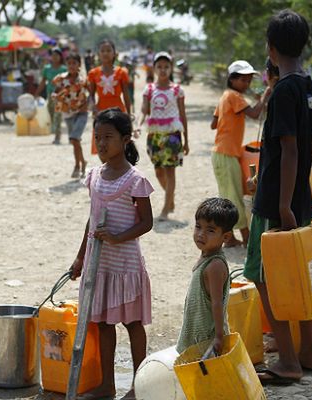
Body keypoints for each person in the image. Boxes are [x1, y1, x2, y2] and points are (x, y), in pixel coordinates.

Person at [244, 9, 312, 384]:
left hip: (278, 200)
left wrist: (281, 204)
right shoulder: (310, 86)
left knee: (265, 277)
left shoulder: (283, 91)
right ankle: (309, 350)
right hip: (300, 199)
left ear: (271, 48)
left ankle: (288, 359)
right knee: (299, 276)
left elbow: (290, 150)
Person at [70, 108, 153, 400]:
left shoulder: (135, 180)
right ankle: (107, 385)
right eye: (97, 138)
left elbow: (147, 222)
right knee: (104, 324)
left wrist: (118, 238)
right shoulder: (94, 176)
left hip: (125, 265)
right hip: (99, 265)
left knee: (132, 324)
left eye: (108, 137)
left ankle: (139, 386)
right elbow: (91, 220)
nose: (101, 143)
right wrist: (80, 257)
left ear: (126, 140)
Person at [210, 60, 271, 247]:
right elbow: (253, 113)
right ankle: (246, 238)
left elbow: (214, 123)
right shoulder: (234, 96)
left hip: (223, 152)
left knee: (229, 195)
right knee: (234, 197)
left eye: (248, 80)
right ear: (232, 79)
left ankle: (231, 238)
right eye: (243, 80)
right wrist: (265, 95)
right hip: (226, 153)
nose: (246, 84)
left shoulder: (225, 96)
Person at [176, 197, 239, 355]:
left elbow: (217, 303)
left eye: (210, 230)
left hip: (208, 338)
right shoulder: (206, 257)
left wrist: (218, 337)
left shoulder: (214, 266)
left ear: (226, 237)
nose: (201, 234)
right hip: (198, 333)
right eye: (198, 227)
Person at [140, 51, 189, 221]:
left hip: (172, 135)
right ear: (153, 69)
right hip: (154, 135)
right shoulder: (149, 88)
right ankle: (171, 199)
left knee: (170, 172)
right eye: (159, 67)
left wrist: (186, 140)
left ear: (171, 69)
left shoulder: (177, 90)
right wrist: (139, 123)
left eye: (166, 67)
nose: (162, 70)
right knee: (158, 172)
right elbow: (144, 109)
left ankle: (165, 209)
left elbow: (183, 115)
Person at [88, 39, 132, 155]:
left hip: (119, 110)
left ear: (114, 53)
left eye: (108, 50)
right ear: (98, 54)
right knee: (102, 144)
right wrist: (93, 108)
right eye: (102, 51)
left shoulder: (121, 72)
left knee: (118, 142)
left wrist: (129, 113)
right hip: (101, 111)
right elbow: (91, 95)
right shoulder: (93, 73)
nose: (105, 53)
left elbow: (126, 95)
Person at [52, 53, 89, 178]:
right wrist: (54, 95)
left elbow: (91, 93)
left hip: (81, 112)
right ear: (66, 65)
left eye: (74, 63)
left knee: (74, 137)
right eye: (69, 64)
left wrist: (89, 104)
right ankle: (82, 162)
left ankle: (77, 166)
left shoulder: (83, 80)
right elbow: (56, 91)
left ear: (79, 65)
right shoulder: (61, 79)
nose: (72, 66)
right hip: (67, 113)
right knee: (75, 141)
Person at [35, 47, 67, 144]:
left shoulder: (64, 69)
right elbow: (43, 82)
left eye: (56, 55)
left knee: (58, 114)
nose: (54, 57)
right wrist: (36, 93)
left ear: (60, 57)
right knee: (51, 113)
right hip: (50, 95)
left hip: (60, 95)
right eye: (53, 55)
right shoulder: (47, 69)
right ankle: (55, 130)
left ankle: (57, 136)